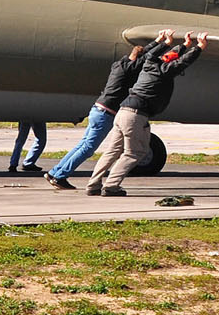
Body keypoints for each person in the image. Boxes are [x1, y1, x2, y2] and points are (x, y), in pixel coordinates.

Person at [44, 30, 174, 191]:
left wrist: (158, 40)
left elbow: (142, 54)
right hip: (106, 113)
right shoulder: (130, 70)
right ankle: (60, 175)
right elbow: (148, 57)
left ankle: (55, 172)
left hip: (98, 109)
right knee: (88, 148)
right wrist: (166, 44)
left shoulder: (119, 65)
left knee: (83, 145)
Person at [87, 31, 207, 197]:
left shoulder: (149, 64)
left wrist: (181, 44)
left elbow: (156, 54)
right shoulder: (164, 72)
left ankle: (93, 184)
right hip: (136, 115)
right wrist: (199, 47)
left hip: (122, 112)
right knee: (135, 152)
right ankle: (111, 186)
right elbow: (182, 62)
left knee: (113, 151)